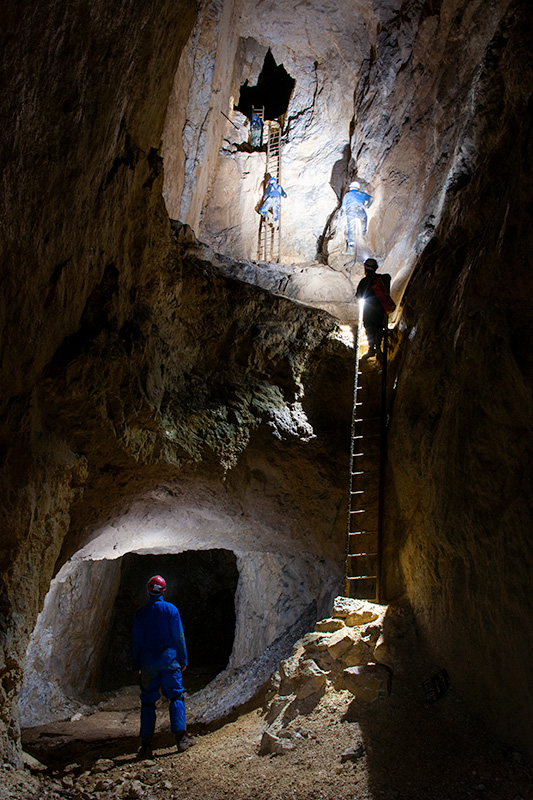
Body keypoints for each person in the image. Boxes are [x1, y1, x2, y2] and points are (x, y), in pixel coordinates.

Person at [132, 575, 188, 758]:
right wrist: (184, 659)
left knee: (148, 701)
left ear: (148, 590)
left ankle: (146, 746)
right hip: (169, 659)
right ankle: (181, 739)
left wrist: (136, 663)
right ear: (164, 591)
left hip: (148, 662)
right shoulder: (171, 610)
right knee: (176, 697)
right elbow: (179, 636)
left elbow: (136, 642)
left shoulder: (140, 614)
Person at [356, 258, 393, 356]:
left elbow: (359, 295)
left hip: (368, 309)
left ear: (366, 269)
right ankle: (378, 348)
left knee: (369, 327)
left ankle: (371, 348)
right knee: (379, 327)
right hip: (380, 309)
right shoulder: (381, 279)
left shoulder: (364, 281)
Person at [342, 181, 373, 252]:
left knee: (351, 228)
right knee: (364, 221)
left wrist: (344, 213)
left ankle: (351, 248)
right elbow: (371, 198)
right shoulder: (362, 194)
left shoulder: (348, 195)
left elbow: (343, 207)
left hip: (351, 211)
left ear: (351, 187)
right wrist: (367, 205)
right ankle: (363, 235)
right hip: (361, 210)